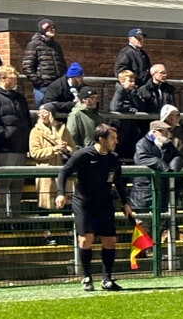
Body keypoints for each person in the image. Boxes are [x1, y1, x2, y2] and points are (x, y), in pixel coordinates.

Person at [55, 124, 131, 291]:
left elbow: (117, 182)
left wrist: (125, 203)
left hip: (104, 203)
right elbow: (64, 172)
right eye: (112, 138)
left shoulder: (113, 158)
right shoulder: (83, 155)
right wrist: (61, 193)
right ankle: (86, 277)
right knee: (86, 239)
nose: (116, 142)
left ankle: (107, 279)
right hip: (84, 203)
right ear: (101, 139)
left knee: (110, 241)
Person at [0, 65, 32, 223]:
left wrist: (26, 140)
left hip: (20, 147)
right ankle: (2, 216)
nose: (16, 80)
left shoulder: (19, 98)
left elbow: (27, 120)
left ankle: (15, 215)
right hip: (4, 147)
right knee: (4, 182)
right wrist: (5, 135)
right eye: (13, 78)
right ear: (3, 79)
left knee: (18, 182)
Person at [130, 120, 183, 246]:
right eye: (162, 131)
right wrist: (164, 166)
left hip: (161, 190)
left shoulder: (167, 145)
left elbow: (177, 157)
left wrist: (174, 166)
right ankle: (141, 252)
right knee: (143, 224)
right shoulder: (142, 144)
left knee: (158, 223)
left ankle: (155, 250)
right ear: (153, 131)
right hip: (144, 191)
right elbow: (142, 158)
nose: (165, 134)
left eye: (166, 131)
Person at [28, 103, 75, 245]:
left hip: (62, 170)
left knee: (66, 202)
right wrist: (53, 149)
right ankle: (47, 234)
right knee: (45, 205)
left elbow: (73, 147)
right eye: (40, 112)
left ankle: (69, 233)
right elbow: (34, 153)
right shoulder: (35, 132)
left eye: (45, 112)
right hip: (45, 171)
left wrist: (66, 149)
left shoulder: (62, 129)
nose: (42, 115)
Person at [21, 19, 66, 108]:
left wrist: (63, 81)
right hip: (42, 87)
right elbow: (27, 66)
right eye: (49, 28)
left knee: (58, 114)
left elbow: (62, 64)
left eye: (53, 28)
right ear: (42, 30)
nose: (52, 30)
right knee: (43, 112)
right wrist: (39, 82)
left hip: (57, 86)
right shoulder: (34, 44)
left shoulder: (56, 46)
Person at [109, 69, 145, 161]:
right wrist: (130, 109)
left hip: (129, 128)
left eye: (134, 81)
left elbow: (139, 106)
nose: (133, 83)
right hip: (120, 127)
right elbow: (115, 106)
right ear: (122, 81)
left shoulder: (131, 92)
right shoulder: (120, 90)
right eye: (130, 81)